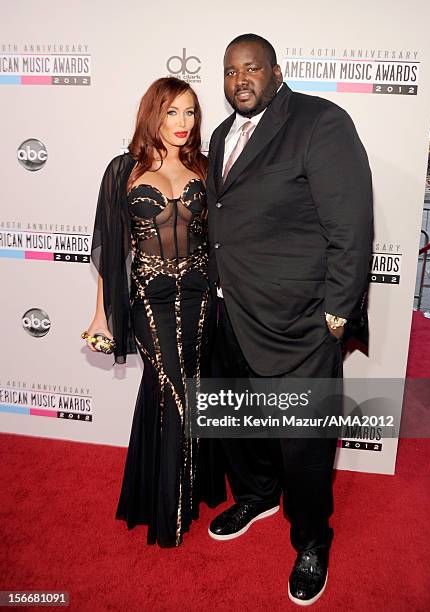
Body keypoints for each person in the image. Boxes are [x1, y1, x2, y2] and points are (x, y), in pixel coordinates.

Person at [206, 34, 373, 605]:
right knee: (240, 420)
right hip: (232, 309)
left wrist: (336, 313)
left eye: (251, 68)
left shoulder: (320, 122)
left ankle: (311, 538)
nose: (240, 80)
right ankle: (256, 493)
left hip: (300, 320)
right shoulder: (223, 135)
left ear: (277, 71)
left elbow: (351, 226)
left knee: (304, 440)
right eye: (230, 72)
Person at [85, 77, 225, 548]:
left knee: (191, 386)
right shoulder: (123, 170)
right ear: (153, 115)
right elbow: (111, 247)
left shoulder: (205, 167)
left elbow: (222, 236)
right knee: (171, 386)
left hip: (200, 294)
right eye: (172, 113)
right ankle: (171, 505)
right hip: (149, 296)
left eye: (190, 113)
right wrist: (101, 314)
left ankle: (181, 490)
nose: (183, 123)